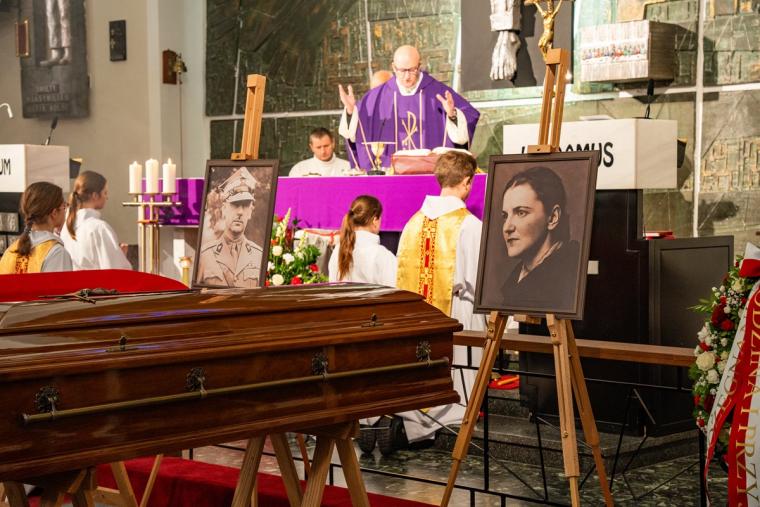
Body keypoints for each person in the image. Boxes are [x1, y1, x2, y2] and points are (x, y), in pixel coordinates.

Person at [390, 151, 486, 445]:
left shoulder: (413, 223)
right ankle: (431, 426)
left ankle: (408, 423)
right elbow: (480, 280)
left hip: (420, 318)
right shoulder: (470, 226)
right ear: (467, 182)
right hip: (457, 313)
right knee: (460, 376)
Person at [338, 45, 480, 171]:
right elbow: (357, 132)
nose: (407, 77)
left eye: (412, 70)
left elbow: (469, 116)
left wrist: (453, 115)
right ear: (393, 67)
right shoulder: (376, 97)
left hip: (432, 176)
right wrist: (351, 113)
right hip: (391, 176)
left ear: (419, 66)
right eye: (401, 70)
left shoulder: (438, 92)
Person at [499, 166, 579, 312]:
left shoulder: (571, 276)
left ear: (553, 217)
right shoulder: (514, 282)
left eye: (521, 213)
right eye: (505, 216)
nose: (507, 227)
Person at [196, 167, 263, 288]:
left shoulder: (259, 255)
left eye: (245, 206)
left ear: (250, 212)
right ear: (224, 209)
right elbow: (195, 294)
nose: (240, 212)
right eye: (235, 205)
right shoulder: (205, 255)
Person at [60, 171, 132, 270]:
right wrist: (121, 257)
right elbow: (115, 271)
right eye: (105, 193)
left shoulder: (67, 226)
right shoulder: (99, 228)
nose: (107, 197)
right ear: (95, 195)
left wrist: (116, 254)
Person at [0, 182, 72, 274]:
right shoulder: (56, 253)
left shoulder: (10, 251)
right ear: (54, 213)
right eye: (64, 206)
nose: (65, 211)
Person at [328, 195, 396, 286]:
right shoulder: (383, 256)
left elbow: (333, 287)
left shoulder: (338, 250)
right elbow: (394, 290)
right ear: (375, 220)